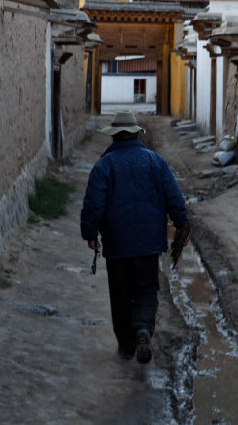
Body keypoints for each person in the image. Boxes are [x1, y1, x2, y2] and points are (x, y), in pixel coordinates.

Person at [80, 110, 189, 364]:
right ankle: (142, 329)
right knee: (147, 289)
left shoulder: (104, 165)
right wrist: (182, 224)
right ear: (135, 134)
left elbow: (93, 205)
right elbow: (173, 197)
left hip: (118, 244)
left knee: (120, 293)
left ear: (114, 137)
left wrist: (90, 233)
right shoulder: (155, 161)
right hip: (149, 242)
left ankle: (127, 346)